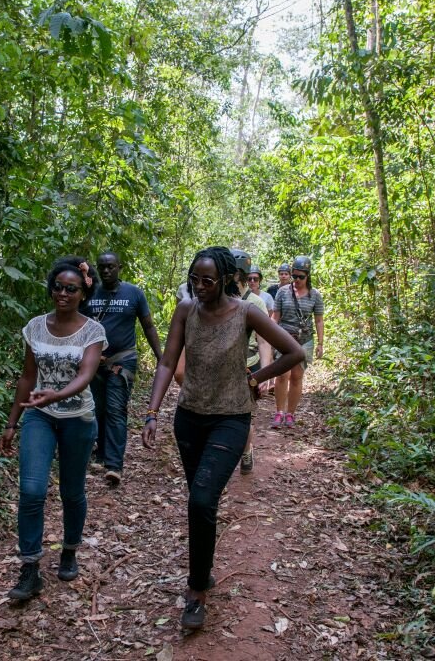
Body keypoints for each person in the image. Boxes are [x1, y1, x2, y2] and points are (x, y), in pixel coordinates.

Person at [141, 247, 304, 630]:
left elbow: (293, 352)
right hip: (189, 418)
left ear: (227, 279)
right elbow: (167, 361)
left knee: (201, 499)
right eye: (194, 279)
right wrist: (151, 412)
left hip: (230, 419)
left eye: (208, 280)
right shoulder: (186, 310)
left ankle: (196, 591)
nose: (199, 287)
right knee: (201, 502)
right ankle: (204, 569)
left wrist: (256, 379)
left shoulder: (247, 312)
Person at [0, 257, 107, 601]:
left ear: (82, 293)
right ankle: (29, 569)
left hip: (78, 417)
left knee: (71, 492)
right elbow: (27, 376)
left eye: (70, 289)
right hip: (38, 416)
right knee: (31, 490)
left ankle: (70, 549)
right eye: (57, 287)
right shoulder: (35, 327)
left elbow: (86, 374)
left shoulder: (93, 331)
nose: (62, 293)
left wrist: (56, 394)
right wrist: (12, 422)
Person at [82, 251, 163, 487]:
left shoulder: (134, 293)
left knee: (116, 408)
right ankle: (103, 452)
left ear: (120, 267)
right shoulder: (89, 293)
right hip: (93, 361)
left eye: (110, 267)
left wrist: (161, 358)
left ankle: (114, 465)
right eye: (102, 267)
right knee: (98, 408)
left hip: (122, 360)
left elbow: (148, 326)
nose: (106, 271)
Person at [231, 250, 272, 475]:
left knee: (244, 415)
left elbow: (264, 340)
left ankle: (246, 450)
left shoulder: (256, 303)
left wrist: (265, 373)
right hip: (223, 367)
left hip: (249, 365)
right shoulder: (220, 299)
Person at [271, 256, 325, 429]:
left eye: (301, 276)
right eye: (295, 276)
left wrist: (320, 344)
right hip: (285, 337)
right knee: (282, 375)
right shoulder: (282, 292)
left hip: (304, 340)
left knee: (296, 377)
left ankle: (290, 414)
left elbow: (318, 320)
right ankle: (279, 412)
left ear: (308, 276)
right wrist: (270, 338)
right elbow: (275, 317)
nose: (297, 280)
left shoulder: (315, 295)